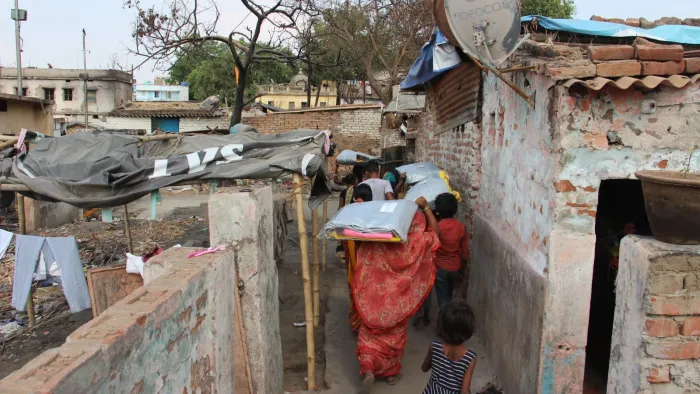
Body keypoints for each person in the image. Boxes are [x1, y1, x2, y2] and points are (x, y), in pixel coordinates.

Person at [353, 186, 440, 392]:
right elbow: (435, 234)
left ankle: (368, 369)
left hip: (373, 298)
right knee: (394, 337)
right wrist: (426, 207)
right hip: (398, 303)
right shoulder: (416, 241)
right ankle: (391, 373)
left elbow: (360, 245)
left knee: (369, 335)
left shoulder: (378, 236)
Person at [413, 193, 470, 327]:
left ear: (438, 210)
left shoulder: (437, 227)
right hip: (455, 266)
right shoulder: (461, 227)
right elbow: (465, 253)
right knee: (448, 296)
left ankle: (445, 327)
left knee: (442, 298)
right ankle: (445, 322)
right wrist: (462, 270)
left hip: (439, 267)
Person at [421, 301, 477, 394]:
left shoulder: (434, 346)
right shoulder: (469, 358)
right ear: (467, 329)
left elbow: (424, 368)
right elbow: (464, 392)